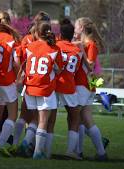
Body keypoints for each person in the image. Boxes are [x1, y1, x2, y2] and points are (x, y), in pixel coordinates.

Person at [23, 21, 63, 159]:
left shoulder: (29, 46)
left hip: (29, 87)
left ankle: (26, 141)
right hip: (45, 88)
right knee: (43, 121)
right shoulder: (54, 49)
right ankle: (38, 152)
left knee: (34, 118)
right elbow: (59, 70)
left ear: (36, 33)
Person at [15, 12, 51, 157]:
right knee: (40, 119)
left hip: (28, 82)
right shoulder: (47, 42)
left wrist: (22, 73)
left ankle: (16, 144)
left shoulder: (26, 39)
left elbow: (20, 59)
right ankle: (29, 145)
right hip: (42, 84)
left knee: (24, 115)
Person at [0, 11, 21, 155]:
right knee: (12, 115)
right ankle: (0, 144)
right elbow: (16, 63)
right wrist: (19, 77)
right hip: (7, 81)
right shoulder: (12, 39)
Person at [73, 17, 108, 160]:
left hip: (85, 85)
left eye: (76, 25)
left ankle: (99, 153)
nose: (74, 27)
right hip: (84, 85)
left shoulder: (90, 44)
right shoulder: (83, 44)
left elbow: (91, 66)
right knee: (82, 120)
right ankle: (92, 152)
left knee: (82, 119)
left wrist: (82, 51)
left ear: (82, 28)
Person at [55, 18, 82, 159]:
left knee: (46, 118)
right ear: (72, 36)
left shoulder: (55, 46)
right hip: (68, 85)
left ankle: (41, 149)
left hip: (53, 85)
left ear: (60, 34)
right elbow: (76, 70)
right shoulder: (77, 51)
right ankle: (71, 151)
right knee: (75, 116)